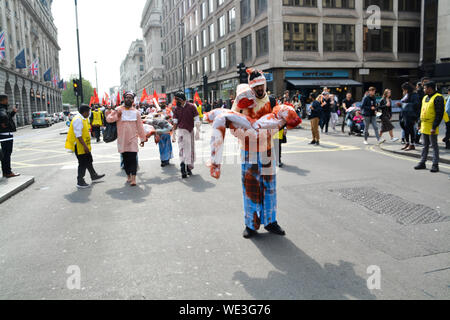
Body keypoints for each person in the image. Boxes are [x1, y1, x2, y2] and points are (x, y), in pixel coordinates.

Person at [231, 69, 286, 239]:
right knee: (250, 188)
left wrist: (279, 126)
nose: (259, 89)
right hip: (248, 150)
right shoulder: (242, 100)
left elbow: (281, 120)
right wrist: (245, 135)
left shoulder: (271, 100)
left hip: (268, 149)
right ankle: (251, 225)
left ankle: (270, 221)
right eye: (256, 86)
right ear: (250, 86)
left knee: (269, 187)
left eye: (261, 85)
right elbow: (231, 122)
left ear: (265, 84)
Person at [106, 91, 148, 186]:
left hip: (133, 139)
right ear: (124, 99)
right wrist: (118, 115)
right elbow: (108, 119)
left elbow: (140, 126)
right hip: (122, 139)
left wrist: (142, 139)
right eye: (127, 97)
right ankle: (128, 176)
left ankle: (133, 178)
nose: (128, 99)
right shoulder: (118, 109)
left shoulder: (136, 112)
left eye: (130, 98)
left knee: (133, 159)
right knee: (125, 160)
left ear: (133, 100)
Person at [65, 104, 105, 189]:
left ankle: (93, 175)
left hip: (84, 145)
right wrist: (85, 146)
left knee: (89, 160)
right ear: (85, 112)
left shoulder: (83, 119)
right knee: (82, 163)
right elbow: (78, 135)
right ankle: (80, 181)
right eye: (89, 112)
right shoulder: (78, 120)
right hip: (80, 146)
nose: (89, 113)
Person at [415, 82, 445, 173]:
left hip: (432, 126)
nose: (424, 90)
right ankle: (422, 162)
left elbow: (439, 114)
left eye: (425, 88)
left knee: (434, 146)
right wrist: (419, 123)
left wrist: (434, 126)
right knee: (425, 146)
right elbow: (422, 111)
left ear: (430, 88)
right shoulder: (425, 97)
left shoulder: (438, 97)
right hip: (424, 125)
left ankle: (435, 165)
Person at [172, 92, 200, 179]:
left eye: (178, 99)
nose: (176, 101)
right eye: (176, 99)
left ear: (183, 99)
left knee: (189, 150)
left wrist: (197, 131)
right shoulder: (176, 109)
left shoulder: (192, 107)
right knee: (182, 150)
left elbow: (197, 119)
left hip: (189, 131)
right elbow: (175, 122)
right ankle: (182, 169)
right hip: (181, 132)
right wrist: (173, 133)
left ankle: (188, 168)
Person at [0, 95, 20, 178]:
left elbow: (6, 116)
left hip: (4, 135)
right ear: (3, 100)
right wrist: (4, 123)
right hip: (6, 135)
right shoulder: (1, 108)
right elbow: (3, 116)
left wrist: (13, 112)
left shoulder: (3, 108)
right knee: (7, 154)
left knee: (5, 154)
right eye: (6, 100)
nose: (7, 101)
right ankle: (8, 172)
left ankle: (5, 172)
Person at [397, 83, 420, 151]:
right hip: (404, 115)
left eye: (404, 89)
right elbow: (404, 104)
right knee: (405, 129)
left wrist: (404, 104)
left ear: (407, 89)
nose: (403, 91)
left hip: (411, 115)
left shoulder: (414, 95)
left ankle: (412, 144)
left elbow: (416, 104)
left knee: (411, 130)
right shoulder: (407, 95)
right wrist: (400, 105)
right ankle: (407, 143)